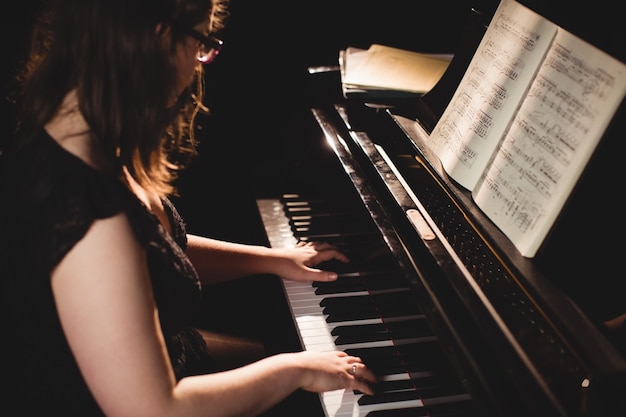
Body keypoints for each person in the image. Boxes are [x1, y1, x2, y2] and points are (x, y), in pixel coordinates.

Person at [0, 0, 377, 415]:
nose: (201, 63)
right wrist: (295, 370)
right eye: (202, 43)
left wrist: (274, 260)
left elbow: (151, 255)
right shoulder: (85, 209)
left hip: (169, 360)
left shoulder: (79, 133)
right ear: (162, 36)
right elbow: (157, 410)